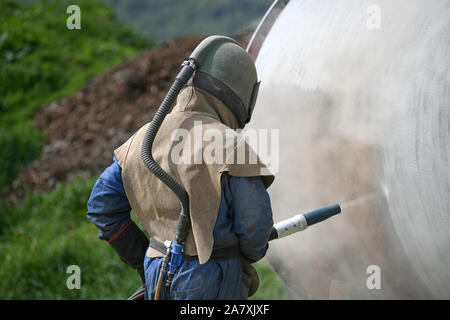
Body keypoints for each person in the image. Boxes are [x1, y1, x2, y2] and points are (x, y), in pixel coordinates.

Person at [87, 35, 274, 300]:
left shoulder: (140, 141)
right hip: (211, 277)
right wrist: (243, 257)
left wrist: (146, 257)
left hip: (157, 274)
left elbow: (101, 207)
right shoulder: (230, 146)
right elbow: (255, 225)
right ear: (242, 96)